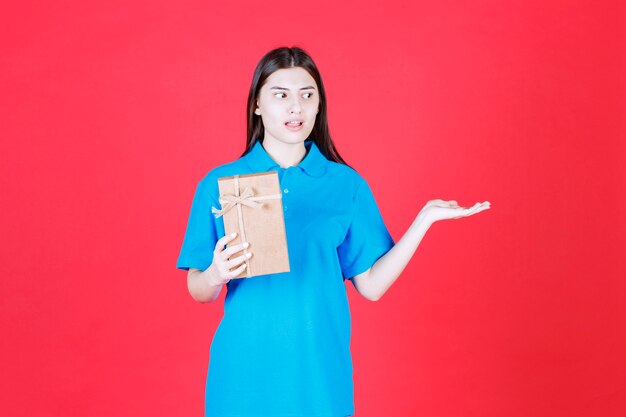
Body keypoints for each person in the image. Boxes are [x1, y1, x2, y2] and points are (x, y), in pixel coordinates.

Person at [176, 46, 490, 417]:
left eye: (308, 96)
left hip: (319, 373)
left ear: (319, 105)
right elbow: (199, 289)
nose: (296, 107)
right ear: (257, 105)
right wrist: (215, 274)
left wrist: (424, 220)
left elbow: (371, 285)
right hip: (244, 372)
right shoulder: (221, 183)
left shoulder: (345, 184)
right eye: (281, 95)